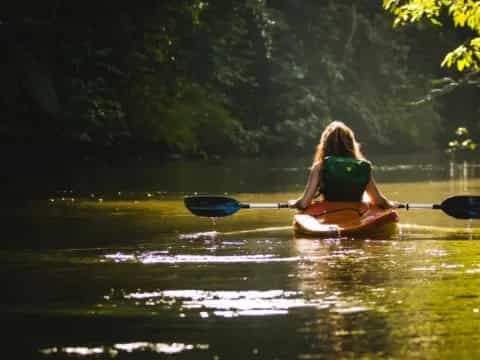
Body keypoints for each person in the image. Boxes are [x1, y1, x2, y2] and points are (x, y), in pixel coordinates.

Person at [289, 121, 397, 210]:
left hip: (329, 215)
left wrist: (294, 203)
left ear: (325, 145)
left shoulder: (320, 167)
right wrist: (391, 204)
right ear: (351, 143)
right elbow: (377, 200)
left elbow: (304, 204)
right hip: (357, 215)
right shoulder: (362, 167)